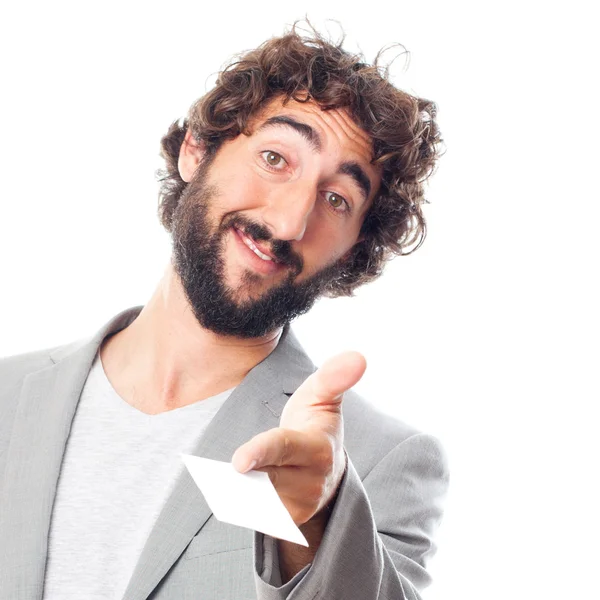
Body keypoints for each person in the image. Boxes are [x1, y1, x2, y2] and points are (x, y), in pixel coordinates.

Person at [0, 24, 449, 600]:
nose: (289, 222)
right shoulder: (9, 396)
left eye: (337, 198)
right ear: (197, 150)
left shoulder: (379, 461)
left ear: (354, 250)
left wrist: (312, 531)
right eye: (275, 158)